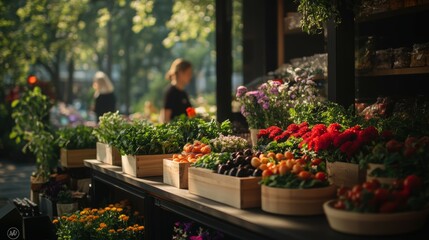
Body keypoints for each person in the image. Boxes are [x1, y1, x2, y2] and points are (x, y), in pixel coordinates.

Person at [161, 58, 193, 123]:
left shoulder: (184, 93)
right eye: (188, 73)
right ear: (181, 73)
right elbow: (166, 119)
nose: (190, 76)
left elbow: (192, 114)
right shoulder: (171, 92)